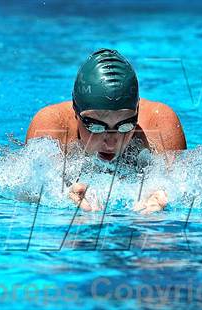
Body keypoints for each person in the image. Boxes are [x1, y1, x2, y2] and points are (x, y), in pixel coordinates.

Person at [26, 48, 186, 213]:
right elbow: (30, 191)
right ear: (75, 111)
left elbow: (184, 186)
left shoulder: (159, 123)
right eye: (96, 126)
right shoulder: (52, 126)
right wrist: (62, 195)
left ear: (137, 112)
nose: (110, 142)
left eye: (125, 125)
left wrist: (166, 194)